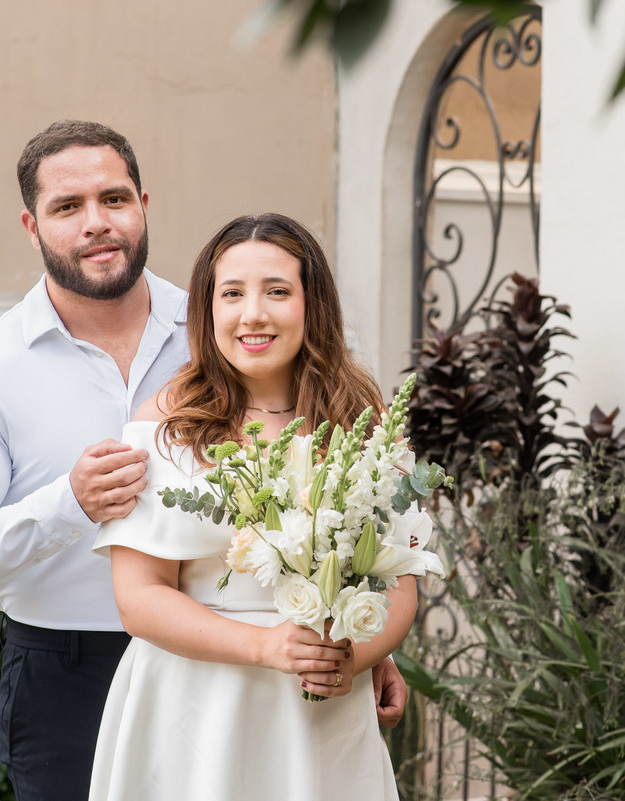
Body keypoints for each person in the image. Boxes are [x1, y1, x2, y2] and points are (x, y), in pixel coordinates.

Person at [0, 121, 407, 801]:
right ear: (32, 226)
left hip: (278, 666)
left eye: (114, 199)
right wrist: (68, 505)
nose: (97, 223)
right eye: (67, 207)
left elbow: (329, 483)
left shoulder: (229, 322)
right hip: (68, 665)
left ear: (143, 203)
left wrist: (357, 633)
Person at [87, 212, 412, 800]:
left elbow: (401, 587)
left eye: (277, 292)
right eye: (231, 293)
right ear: (208, 308)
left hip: (319, 713)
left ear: (314, 305)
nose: (252, 313)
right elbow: (139, 600)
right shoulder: (164, 428)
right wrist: (265, 647)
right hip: (193, 707)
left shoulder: (365, 426)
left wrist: (355, 658)